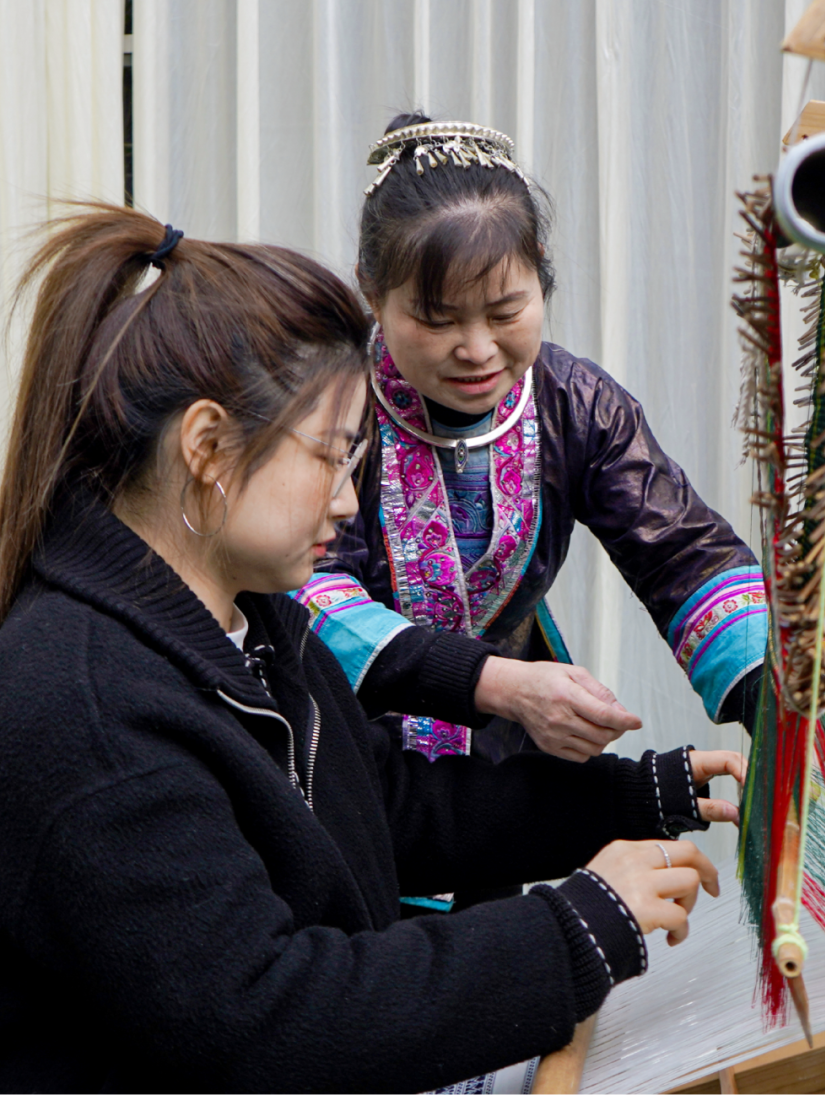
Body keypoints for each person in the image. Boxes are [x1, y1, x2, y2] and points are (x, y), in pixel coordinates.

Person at [0, 205, 748, 1095]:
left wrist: (636, 795)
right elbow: (268, 1017)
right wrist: (577, 927)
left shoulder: (253, 624)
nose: (350, 500)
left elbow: (386, 807)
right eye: (329, 456)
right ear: (207, 446)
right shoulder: (86, 709)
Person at [297, 113, 767, 769]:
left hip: (504, 754)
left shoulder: (576, 404)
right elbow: (309, 590)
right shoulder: (328, 409)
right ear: (373, 294)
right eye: (437, 319)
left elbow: (681, 552)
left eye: (505, 311)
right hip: (338, 751)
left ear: (540, 274)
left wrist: (773, 696)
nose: (477, 349)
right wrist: (496, 682)